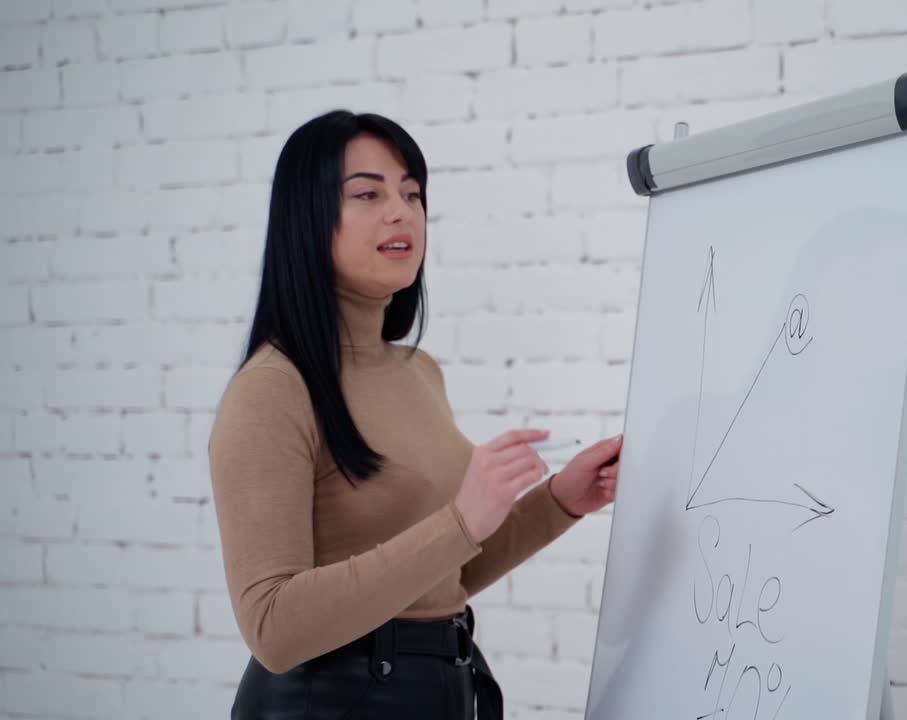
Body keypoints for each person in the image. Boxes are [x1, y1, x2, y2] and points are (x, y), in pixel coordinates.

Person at [207, 109, 624, 720]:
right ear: (307, 217)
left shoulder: (419, 372)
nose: (401, 211)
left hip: (436, 691)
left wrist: (562, 499)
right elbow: (272, 627)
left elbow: (434, 581)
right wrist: (459, 520)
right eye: (367, 193)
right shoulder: (273, 389)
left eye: (412, 193)